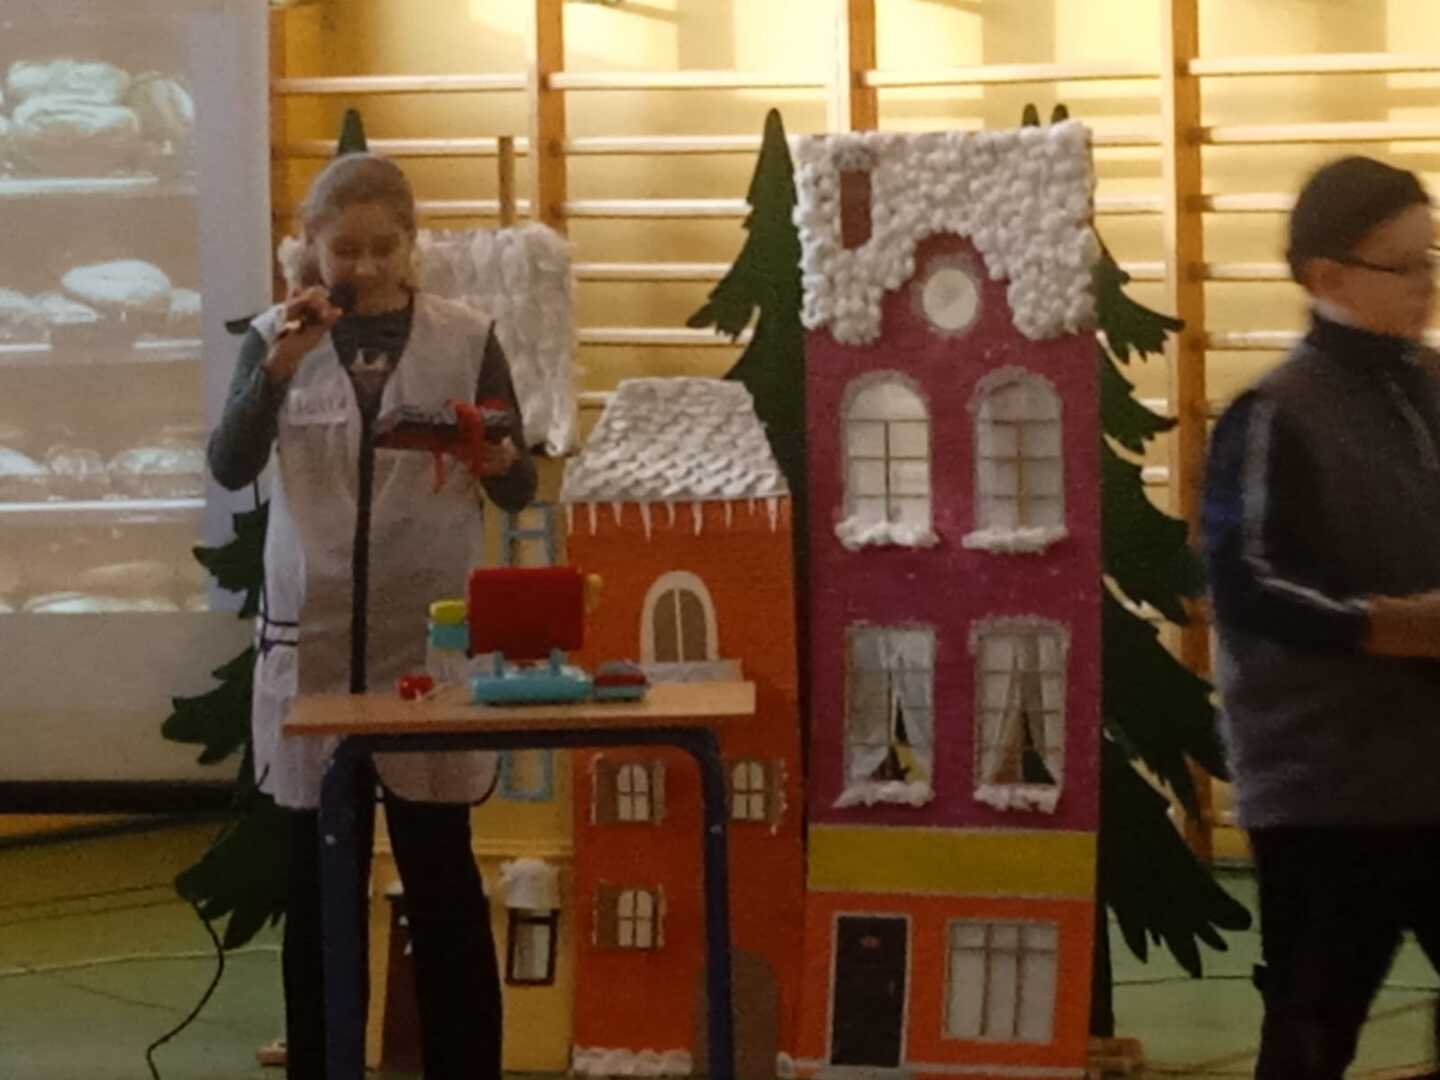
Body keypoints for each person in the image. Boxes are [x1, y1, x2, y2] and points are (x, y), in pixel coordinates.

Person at [208, 152, 536, 1080]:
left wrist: (496, 460)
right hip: (310, 653)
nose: (364, 267)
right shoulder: (274, 337)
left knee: (443, 887)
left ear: (411, 244)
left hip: (422, 654)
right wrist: (278, 367)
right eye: (344, 249)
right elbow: (230, 465)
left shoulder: (465, 338)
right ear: (310, 247)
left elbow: (517, 485)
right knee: (319, 894)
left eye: (383, 248)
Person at [1203, 154, 1440, 1079]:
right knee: (1312, 1032)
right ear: (1326, 275)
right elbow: (1247, 584)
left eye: (1433, 259)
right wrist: (1394, 625)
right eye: (1405, 264)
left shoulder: (1434, 386)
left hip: (1431, 774)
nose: (1426, 283)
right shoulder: (1272, 414)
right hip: (1328, 792)